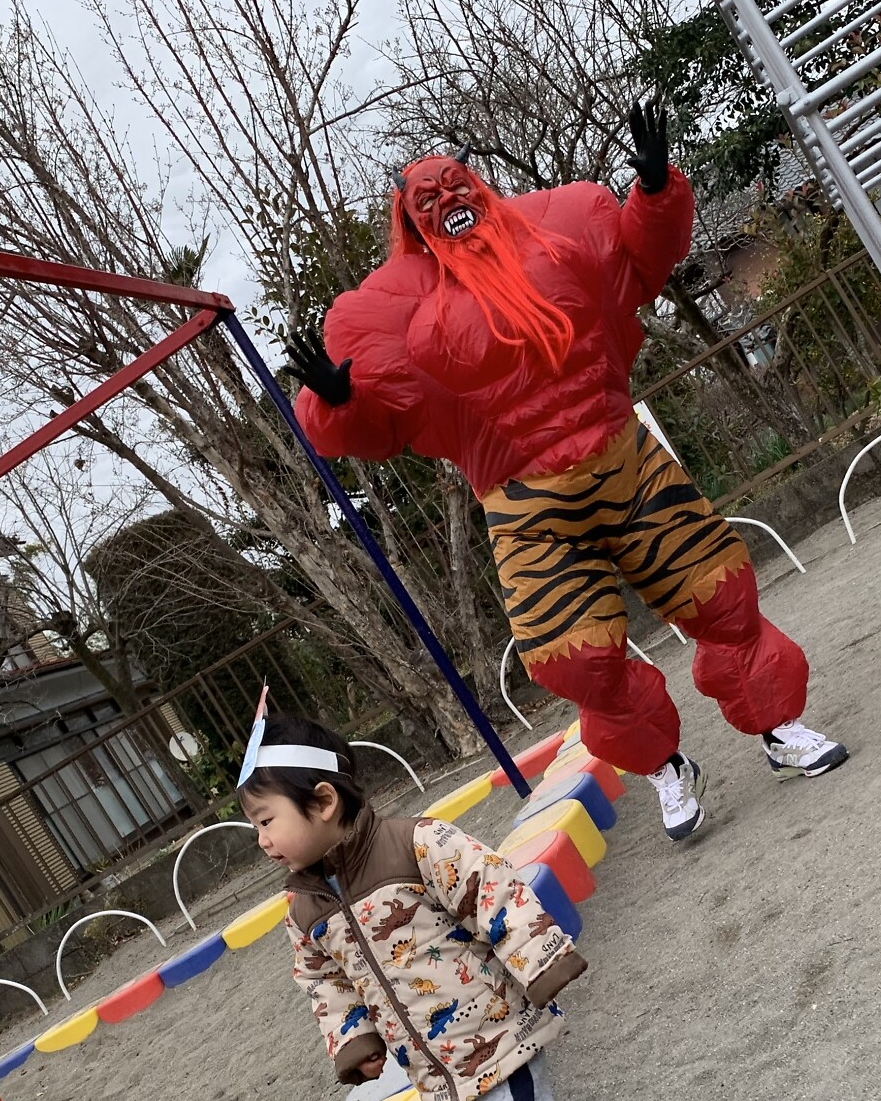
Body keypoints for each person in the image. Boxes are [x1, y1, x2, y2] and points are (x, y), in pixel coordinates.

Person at [283, 102, 848, 844]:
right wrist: (336, 401)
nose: (448, 199)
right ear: (410, 221)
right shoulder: (385, 311)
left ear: (478, 183)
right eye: (428, 197)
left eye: (455, 182)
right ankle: (665, 768)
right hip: (526, 504)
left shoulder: (565, 220)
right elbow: (377, 424)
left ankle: (779, 728)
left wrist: (656, 191)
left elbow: (638, 262)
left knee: (723, 598)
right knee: (578, 662)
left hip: (622, 455)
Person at [238, 707, 629, 1101]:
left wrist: (541, 959)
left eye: (266, 821)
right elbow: (325, 982)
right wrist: (356, 1041)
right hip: (433, 1056)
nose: (261, 840)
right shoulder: (305, 910)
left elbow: (493, 889)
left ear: (323, 802)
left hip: (497, 1028)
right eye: (254, 826)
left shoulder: (415, 845)